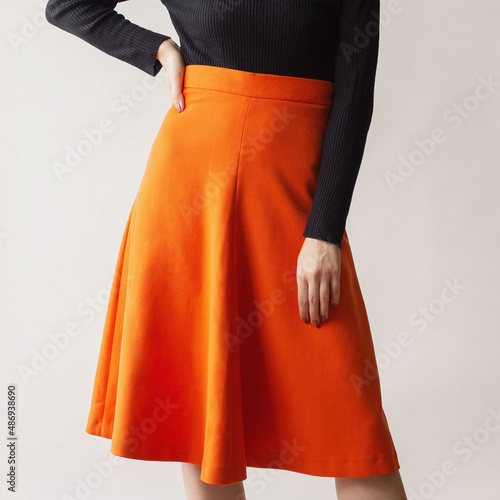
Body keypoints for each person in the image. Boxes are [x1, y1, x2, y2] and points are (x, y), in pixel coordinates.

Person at [45, 0, 407, 498]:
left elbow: (354, 94)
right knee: (201, 425)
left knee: (354, 428)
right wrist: (157, 49)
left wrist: (323, 232)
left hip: (294, 195)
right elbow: (67, 6)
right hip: (192, 189)